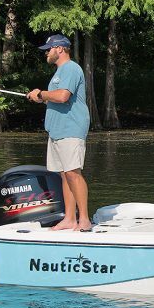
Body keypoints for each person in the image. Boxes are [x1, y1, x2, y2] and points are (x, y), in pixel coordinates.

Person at [27, 34, 92, 232]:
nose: (46, 52)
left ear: (61, 49)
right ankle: (70, 219)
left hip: (71, 129)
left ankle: (85, 220)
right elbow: (56, 97)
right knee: (65, 175)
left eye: (49, 49)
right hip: (56, 131)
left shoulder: (71, 68)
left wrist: (41, 93)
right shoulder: (59, 73)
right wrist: (41, 98)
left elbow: (63, 96)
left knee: (73, 173)